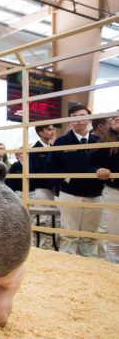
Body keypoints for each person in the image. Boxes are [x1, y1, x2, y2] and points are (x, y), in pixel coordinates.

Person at [45, 104, 104, 257]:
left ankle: (88, 268)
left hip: (95, 194)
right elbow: (51, 166)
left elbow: (105, 164)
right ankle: (67, 270)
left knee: (90, 236)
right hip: (70, 193)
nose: (78, 121)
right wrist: (67, 177)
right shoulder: (61, 142)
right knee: (69, 235)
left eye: (82, 116)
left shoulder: (99, 141)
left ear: (89, 119)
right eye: (74, 118)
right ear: (70, 121)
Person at [91, 113, 119, 263]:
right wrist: (100, 169)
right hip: (114, 192)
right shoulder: (106, 143)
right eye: (115, 117)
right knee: (114, 240)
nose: (116, 118)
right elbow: (93, 163)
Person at [29, 124, 57, 249]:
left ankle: (51, 247)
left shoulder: (54, 148)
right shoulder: (34, 150)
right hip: (42, 190)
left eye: (53, 129)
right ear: (41, 132)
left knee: (54, 221)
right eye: (48, 129)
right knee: (42, 220)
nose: (52, 132)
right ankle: (40, 247)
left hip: (55, 191)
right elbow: (35, 173)